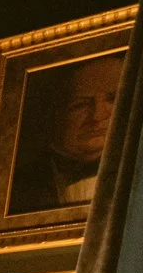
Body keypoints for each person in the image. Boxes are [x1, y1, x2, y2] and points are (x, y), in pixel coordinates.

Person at [7, 51, 122, 214]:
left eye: (112, 99)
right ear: (53, 114)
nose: (98, 116)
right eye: (80, 105)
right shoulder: (17, 187)